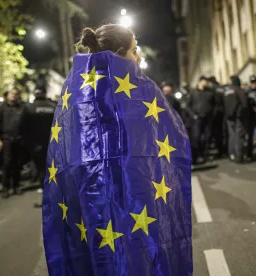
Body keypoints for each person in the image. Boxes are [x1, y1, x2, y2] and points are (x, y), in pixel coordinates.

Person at [43, 24, 192, 275]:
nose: (138, 57)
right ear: (121, 53)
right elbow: (165, 137)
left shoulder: (79, 92)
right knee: (139, 254)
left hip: (91, 198)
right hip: (138, 194)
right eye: (135, 50)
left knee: (102, 257)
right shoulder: (140, 91)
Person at [22, 89, 56, 195]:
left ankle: (44, 187)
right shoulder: (53, 107)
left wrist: (28, 143)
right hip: (53, 141)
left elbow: (23, 127)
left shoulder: (28, 107)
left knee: (40, 167)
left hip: (36, 143)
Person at [0, 88, 26, 198]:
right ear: (7, 95)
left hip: (19, 138)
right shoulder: (1, 108)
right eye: (12, 94)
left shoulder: (21, 107)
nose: (14, 96)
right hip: (6, 139)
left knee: (17, 163)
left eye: (16, 94)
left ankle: (16, 185)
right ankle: (5, 187)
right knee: (7, 163)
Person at [187, 76, 216, 163]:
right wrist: (193, 115)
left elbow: (214, 105)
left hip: (208, 119)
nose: (206, 83)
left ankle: (205, 154)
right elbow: (188, 106)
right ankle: (198, 155)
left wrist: (212, 114)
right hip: (197, 119)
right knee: (197, 137)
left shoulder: (210, 93)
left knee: (208, 137)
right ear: (200, 82)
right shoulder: (193, 93)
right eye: (204, 81)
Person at [222, 75, 248, 163]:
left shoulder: (226, 91)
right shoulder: (238, 90)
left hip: (228, 117)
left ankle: (231, 154)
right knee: (239, 136)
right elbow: (244, 103)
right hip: (238, 117)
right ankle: (239, 156)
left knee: (231, 136)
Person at [245, 75, 256, 160]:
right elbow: (246, 104)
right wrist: (254, 109)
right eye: (252, 83)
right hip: (250, 115)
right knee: (250, 136)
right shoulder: (247, 91)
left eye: (255, 82)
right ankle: (249, 153)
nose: (254, 84)